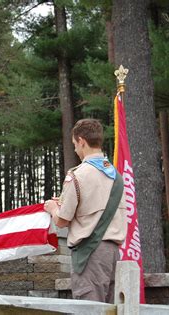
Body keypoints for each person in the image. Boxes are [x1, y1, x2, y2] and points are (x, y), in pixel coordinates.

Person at [44, 118, 127, 303]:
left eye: (75, 144)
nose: (75, 149)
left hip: (90, 254)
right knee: (112, 308)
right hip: (114, 253)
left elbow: (62, 220)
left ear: (82, 141)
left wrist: (52, 209)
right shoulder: (117, 176)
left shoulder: (78, 175)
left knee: (89, 306)